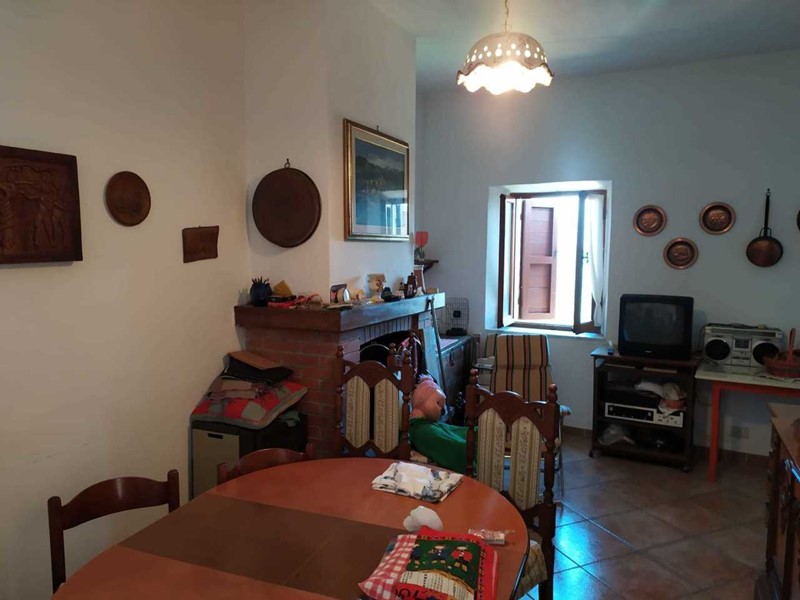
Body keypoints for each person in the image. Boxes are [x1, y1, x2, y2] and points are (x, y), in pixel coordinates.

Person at [407, 375, 471, 474]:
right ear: (421, 400)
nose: (441, 409)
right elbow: (454, 447)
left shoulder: (427, 426)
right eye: (438, 403)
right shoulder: (422, 431)